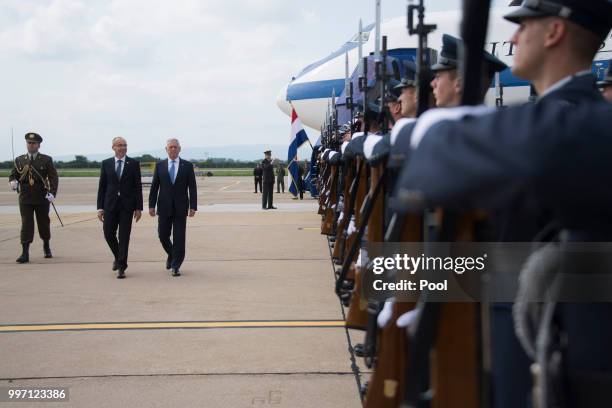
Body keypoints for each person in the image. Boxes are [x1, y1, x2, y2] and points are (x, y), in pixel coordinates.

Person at [393, 2, 612, 406]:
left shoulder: (567, 120)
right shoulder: (553, 117)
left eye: (522, 26)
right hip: (519, 321)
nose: (512, 38)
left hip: (556, 345)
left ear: (553, 34)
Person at [148, 138, 197, 277]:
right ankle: (171, 253)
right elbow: (154, 188)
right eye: (171, 147)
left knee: (179, 238)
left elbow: (192, 188)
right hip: (163, 207)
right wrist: (151, 205)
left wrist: (193, 206)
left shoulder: (187, 166)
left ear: (179, 149)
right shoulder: (160, 166)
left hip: (181, 208)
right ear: (166, 149)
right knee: (162, 235)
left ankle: (176, 265)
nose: (173, 149)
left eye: (175, 147)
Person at [96, 137, 143, 279]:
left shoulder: (133, 163)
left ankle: (122, 266)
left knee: (124, 236)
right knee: (108, 234)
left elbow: (137, 187)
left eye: (125, 145)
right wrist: (100, 207)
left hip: (127, 206)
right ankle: (118, 257)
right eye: (119, 145)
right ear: (113, 147)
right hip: (110, 205)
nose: (123, 147)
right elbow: (102, 186)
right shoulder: (106, 164)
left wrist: (138, 208)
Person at [9, 132, 58, 263]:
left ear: (38, 145)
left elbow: (53, 177)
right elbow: (13, 174)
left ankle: (46, 244)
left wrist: (52, 192)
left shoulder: (46, 159)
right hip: (25, 196)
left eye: (33, 143)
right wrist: (13, 182)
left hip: (41, 195)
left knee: (43, 223)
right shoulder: (20, 160)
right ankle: (25, 253)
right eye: (29, 143)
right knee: (26, 224)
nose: (31, 145)